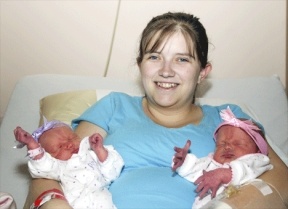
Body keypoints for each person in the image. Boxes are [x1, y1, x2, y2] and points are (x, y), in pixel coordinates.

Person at [23, 12, 287, 209]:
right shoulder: (114, 106)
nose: (166, 70)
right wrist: (52, 204)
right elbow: (55, 169)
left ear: (202, 72)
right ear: (140, 66)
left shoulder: (229, 120)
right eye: (154, 56)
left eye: (182, 59)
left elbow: (280, 180)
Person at [172, 106, 273, 209]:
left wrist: (224, 174)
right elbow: (196, 172)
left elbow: (249, 168)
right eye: (221, 144)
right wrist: (184, 162)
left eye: (238, 144)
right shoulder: (211, 164)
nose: (227, 147)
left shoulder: (258, 160)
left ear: (258, 150)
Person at [14, 119, 124, 209]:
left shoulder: (91, 153)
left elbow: (112, 173)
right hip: (75, 203)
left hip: (100, 196)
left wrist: (100, 151)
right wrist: (31, 143)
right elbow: (43, 165)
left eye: (71, 138)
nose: (69, 144)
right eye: (59, 147)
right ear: (50, 156)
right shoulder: (59, 166)